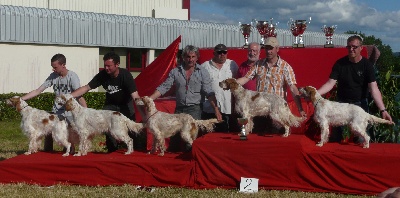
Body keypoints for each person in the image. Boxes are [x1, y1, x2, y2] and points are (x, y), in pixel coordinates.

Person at [317, 35, 392, 142]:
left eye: (354, 47)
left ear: (361, 48)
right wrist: (315, 93)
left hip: (360, 105)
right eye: (348, 47)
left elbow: (374, 89)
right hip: (340, 105)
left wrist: (383, 110)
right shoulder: (339, 64)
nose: (351, 49)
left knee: (361, 138)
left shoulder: (367, 66)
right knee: (335, 138)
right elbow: (330, 84)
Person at [149, 45, 222, 150]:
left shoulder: (203, 72)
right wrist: (150, 99)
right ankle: (171, 163)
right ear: (183, 57)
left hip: (195, 109)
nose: (190, 59)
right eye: (188, 57)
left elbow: (209, 92)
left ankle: (190, 162)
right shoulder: (175, 71)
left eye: (193, 57)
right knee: (174, 139)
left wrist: (216, 109)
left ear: (197, 57)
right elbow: (164, 87)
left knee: (190, 140)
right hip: (179, 109)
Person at [70, 51, 141, 153]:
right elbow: (86, 88)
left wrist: (143, 112)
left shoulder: (126, 75)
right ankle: (112, 151)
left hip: (125, 105)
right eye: (105, 65)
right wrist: (69, 96)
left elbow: (135, 96)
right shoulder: (102, 75)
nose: (106, 68)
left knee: (132, 128)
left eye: (109, 66)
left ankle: (137, 152)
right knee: (106, 129)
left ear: (117, 65)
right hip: (110, 105)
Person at [236, 37, 306, 133]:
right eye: (266, 48)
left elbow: (293, 88)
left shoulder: (285, 67)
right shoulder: (258, 64)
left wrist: (300, 108)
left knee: (277, 143)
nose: (268, 51)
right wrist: (231, 83)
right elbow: (245, 79)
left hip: (277, 110)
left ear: (277, 49)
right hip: (260, 112)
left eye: (271, 48)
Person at [21, 53, 87, 154]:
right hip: (56, 111)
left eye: (55, 67)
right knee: (47, 128)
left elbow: (79, 95)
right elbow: (38, 91)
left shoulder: (72, 76)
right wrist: (21, 99)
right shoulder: (53, 76)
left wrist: (85, 111)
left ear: (63, 65)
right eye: (52, 67)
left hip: (69, 112)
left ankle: (70, 150)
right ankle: (47, 153)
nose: (53, 69)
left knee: (68, 135)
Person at [200, 44, 238, 132]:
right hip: (209, 109)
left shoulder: (232, 65)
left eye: (224, 52)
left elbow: (237, 84)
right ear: (214, 53)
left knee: (226, 136)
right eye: (219, 52)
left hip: (227, 108)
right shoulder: (205, 66)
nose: (222, 54)